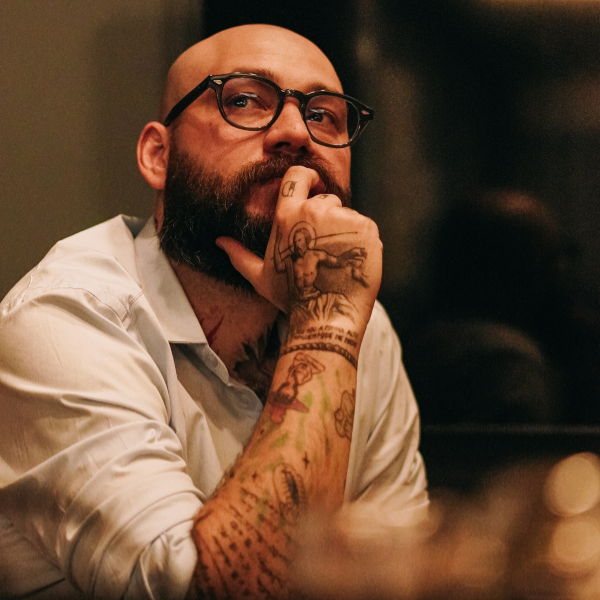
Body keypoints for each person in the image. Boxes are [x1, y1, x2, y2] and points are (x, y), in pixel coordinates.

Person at [0, 24, 428, 599]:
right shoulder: (66, 319)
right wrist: (324, 327)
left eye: (324, 116)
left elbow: (399, 581)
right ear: (159, 156)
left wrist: (332, 321)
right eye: (245, 100)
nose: (296, 133)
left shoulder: (362, 327)